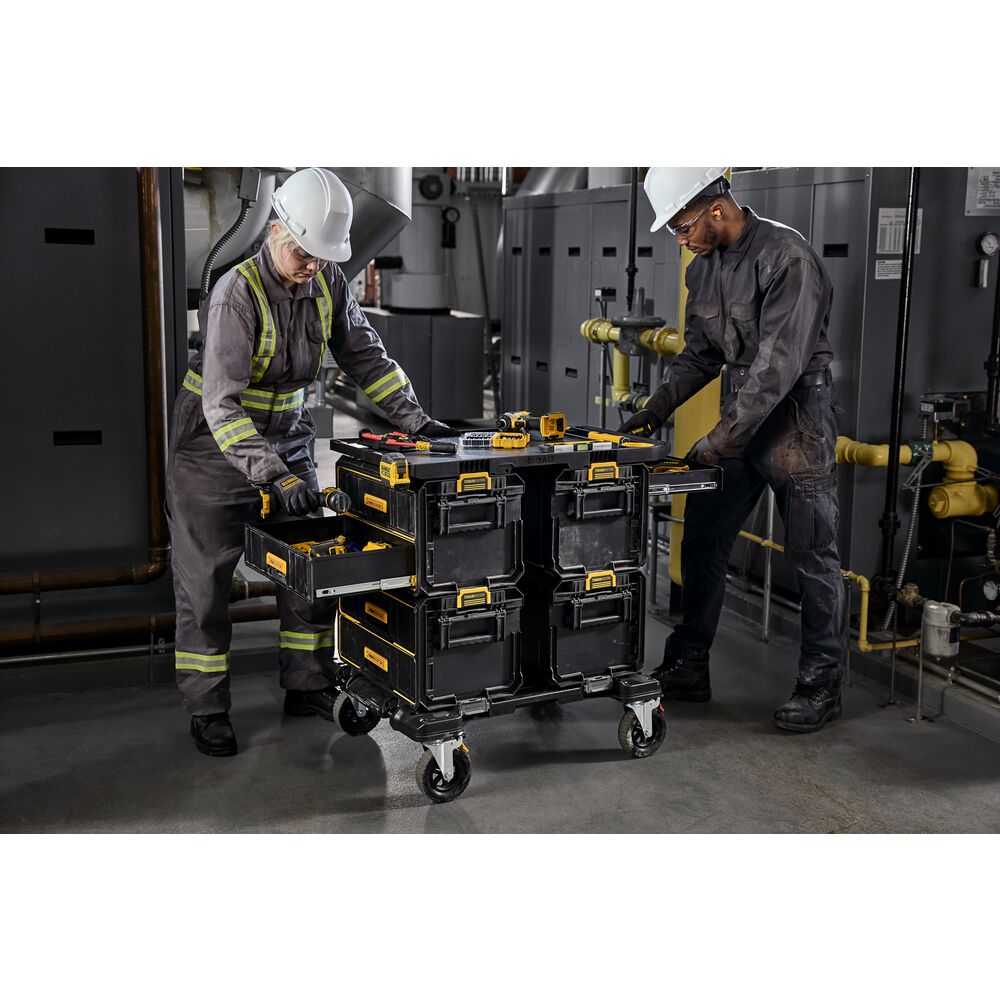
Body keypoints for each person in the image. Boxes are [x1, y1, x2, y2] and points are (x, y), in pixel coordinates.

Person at [166, 167, 449, 757]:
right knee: (205, 584)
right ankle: (208, 708)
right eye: (303, 252)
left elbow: (366, 355)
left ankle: (308, 683)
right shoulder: (236, 294)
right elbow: (221, 405)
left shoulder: (327, 281)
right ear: (276, 229)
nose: (312, 264)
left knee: (310, 568)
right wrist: (272, 474)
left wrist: (416, 420)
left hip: (288, 439)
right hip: (213, 450)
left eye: (323, 255)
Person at [620, 167, 844, 733]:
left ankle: (821, 683)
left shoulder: (787, 258)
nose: (680, 240)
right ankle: (690, 664)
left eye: (683, 227)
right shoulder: (703, 270)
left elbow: (777, 368)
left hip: (795, 417)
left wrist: (718, 439)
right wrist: (654, 410)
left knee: (811, 555)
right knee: (703, 539)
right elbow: (699, 356)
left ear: (716, 209)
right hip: (742, 412)